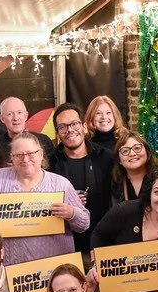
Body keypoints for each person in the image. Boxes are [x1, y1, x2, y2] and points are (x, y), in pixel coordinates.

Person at [0, 131, 91, 265]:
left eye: (31, 153)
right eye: (19, 155)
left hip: (55, 268)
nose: (25, 159)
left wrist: (71, 213)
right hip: (13, 265)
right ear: (12, 157)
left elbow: (84, 224)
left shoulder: (60, 184)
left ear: (40, 154)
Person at [46, 103, 113, 256]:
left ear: (83, 126)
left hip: (103, 244)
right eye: (62, 127)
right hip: (64, 247)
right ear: (57, 133)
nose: (69, 130)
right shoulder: (49, 164)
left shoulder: (106, 157)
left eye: (74, 124)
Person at [0, 97, 55, 161]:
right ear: (2, 118)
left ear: (26, 116)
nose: (15, 118)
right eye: (9, 114)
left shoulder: (44, 141)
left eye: (19, 112)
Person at [110, 131, 158, 205]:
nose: (132, 154)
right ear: (119, 160)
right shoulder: (115, 184)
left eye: (137, 148)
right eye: (125, 151)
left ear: (147, 152)